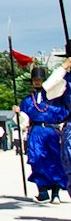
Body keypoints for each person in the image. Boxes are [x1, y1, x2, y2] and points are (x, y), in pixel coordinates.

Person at [14, 65, 69, 202]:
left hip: (52, 131)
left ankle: (55, 192)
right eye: (35, 79)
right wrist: (18, 113)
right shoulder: (27, 100)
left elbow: (64, 110)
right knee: (37, 159)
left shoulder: (55, 97)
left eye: (40, 79)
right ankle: (42, 190)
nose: (37, 82)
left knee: (56, 161)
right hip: (36, 132)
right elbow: (23, 118)